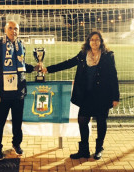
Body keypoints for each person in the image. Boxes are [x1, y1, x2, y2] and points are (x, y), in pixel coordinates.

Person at [42, 31, 120, 160]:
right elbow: (68, 63)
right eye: (92, 40)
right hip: (86, 95)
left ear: (101, 42)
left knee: (101, 122)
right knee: (82, 121)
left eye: (97, 39)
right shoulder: (83, 55)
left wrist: (115, 97)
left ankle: (99, 149)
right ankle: (83, 150)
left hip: (102, 95)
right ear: (88, 42)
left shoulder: (108, 56)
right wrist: (48, 69)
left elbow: (113, 76)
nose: (94, 42)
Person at [0, 20, 39, 160]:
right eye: (10, 28)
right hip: (2, 93)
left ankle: (17, 144)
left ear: (18, 31)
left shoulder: (20, 46)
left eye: (16, 28)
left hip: (18, 93)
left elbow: (20, 65)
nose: (13, 31)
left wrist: (33, 68)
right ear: (5, 30)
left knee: (17, 122)